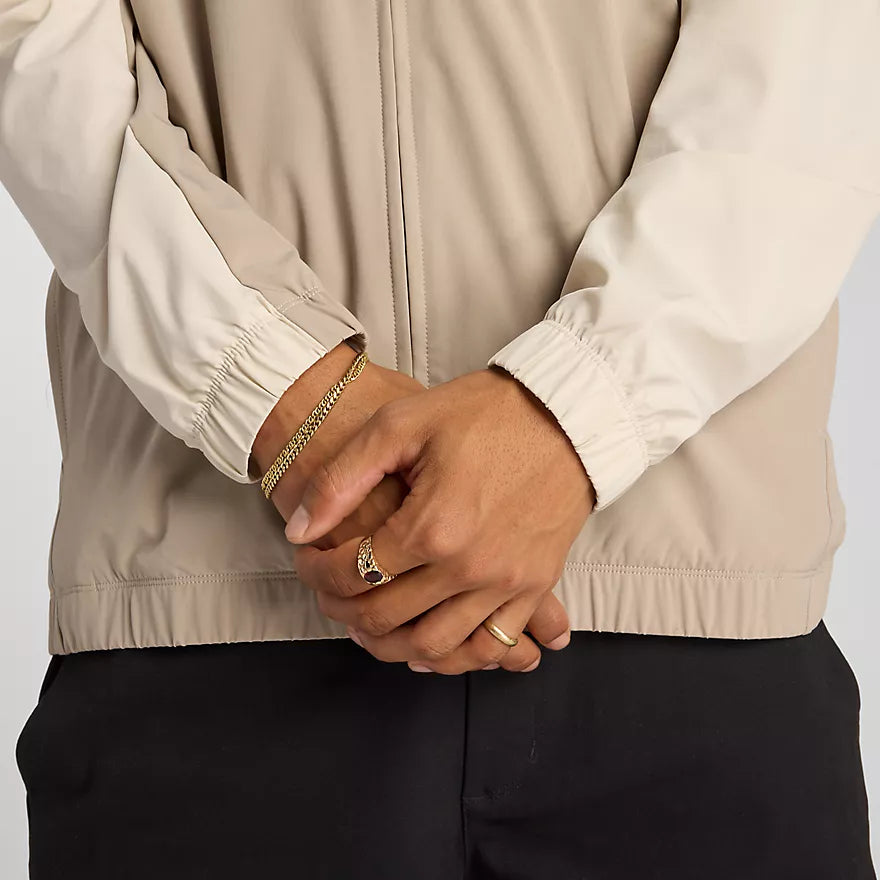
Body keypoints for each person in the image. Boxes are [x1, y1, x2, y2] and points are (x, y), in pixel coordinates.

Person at [2, 1, 878, 877]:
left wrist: (577, 411)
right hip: (207, 622)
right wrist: (276, 392)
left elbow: (812, 57)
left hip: (690, 621)